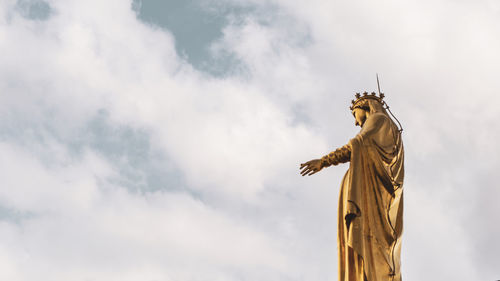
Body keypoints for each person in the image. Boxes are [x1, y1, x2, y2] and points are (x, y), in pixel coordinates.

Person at [300, 92, 404, 281]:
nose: (356, 123)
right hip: (371, 188)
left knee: (368, 241)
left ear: (365, 107)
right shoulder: (390, 129)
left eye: (355, 114)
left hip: (368, 193)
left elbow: (356, 144)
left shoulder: (379, 120)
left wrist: (323, 161)